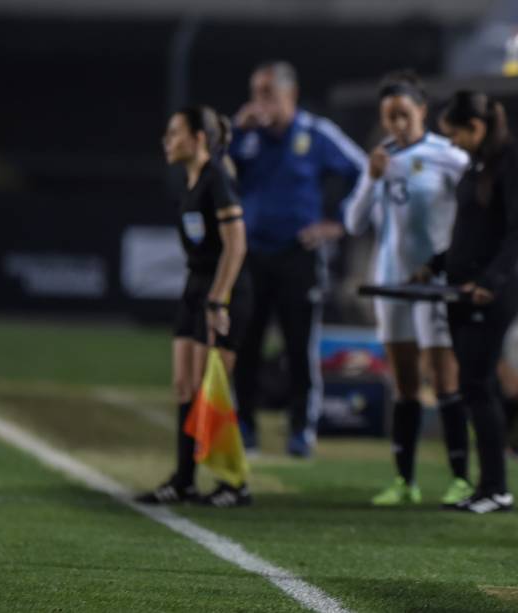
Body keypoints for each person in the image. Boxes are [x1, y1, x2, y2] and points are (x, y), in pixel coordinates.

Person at [343, 70, 472, 507]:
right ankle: (405, 481)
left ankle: (460, 478)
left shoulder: (448, 155)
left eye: (401, 114)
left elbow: (473, 207)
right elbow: (353, 222)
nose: (394, 124)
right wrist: (372, 178)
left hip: (434, 282)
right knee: (404, 383)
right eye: (387, 117)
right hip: (391, 279)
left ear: (421, 111)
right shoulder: (381, 158)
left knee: (444, 376)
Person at [230, 61, 366, 457]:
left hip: (298, 255)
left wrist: (338, 223)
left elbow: (364, 171)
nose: (259, 102)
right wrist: (237, 129)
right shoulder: (245, 136)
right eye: (256, 93)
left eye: (267, 93)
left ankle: (301, 430)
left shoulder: (316, 133)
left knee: (299, 344)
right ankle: (245, 427)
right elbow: (213, 167)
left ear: (290, 94)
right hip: (252, 254)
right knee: (247, 342)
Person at [420, 91, 518, 514]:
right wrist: (435, 264)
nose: (453, 144)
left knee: (477, 385)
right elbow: (470, 232)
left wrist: (491, 280)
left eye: (456, 135)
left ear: (477, 127)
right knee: (473, 386)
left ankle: (496, 488)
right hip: (460, 288)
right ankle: (487, 486)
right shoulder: (478, 164)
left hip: (492, 292)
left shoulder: (510, 163)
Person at [136, 105, 253, 508]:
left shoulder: (217, 177)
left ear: (199, 138)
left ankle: (234, 483)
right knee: (184, 386)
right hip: (195, 286)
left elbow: (236, 245)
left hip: (225, 291)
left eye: (175, 133)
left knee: (212, 388)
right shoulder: (191, 179)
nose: (167, 141)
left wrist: (219, 299)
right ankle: (184, 480)